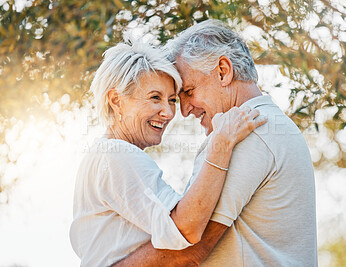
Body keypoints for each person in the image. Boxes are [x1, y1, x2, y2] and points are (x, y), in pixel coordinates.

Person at [113, 20, 317, 266]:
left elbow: (188, 249)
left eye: (188, 91)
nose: (185, 110)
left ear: (223, 71)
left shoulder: (247, 133)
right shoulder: (273, 127)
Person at [69, 40, 267, 266]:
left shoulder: (101, 155)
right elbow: (185, 229)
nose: (168, 112)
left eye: (172, 100)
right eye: (155, 97)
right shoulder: (117, 154)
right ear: (116, 100)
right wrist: (221, 145)